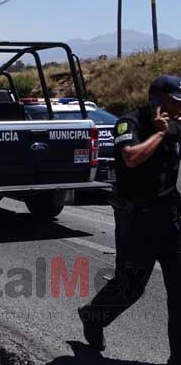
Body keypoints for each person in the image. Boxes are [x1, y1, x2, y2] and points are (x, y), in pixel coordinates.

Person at [78, 75, 181, 362]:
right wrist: (160, 133)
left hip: (171, 217)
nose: (177, 110)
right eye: (174, 103)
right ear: (156, 102)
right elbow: (131, 158)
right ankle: (93, 316)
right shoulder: (129, 122)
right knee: (131, 286)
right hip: (137, 218)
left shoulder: (177, 126)